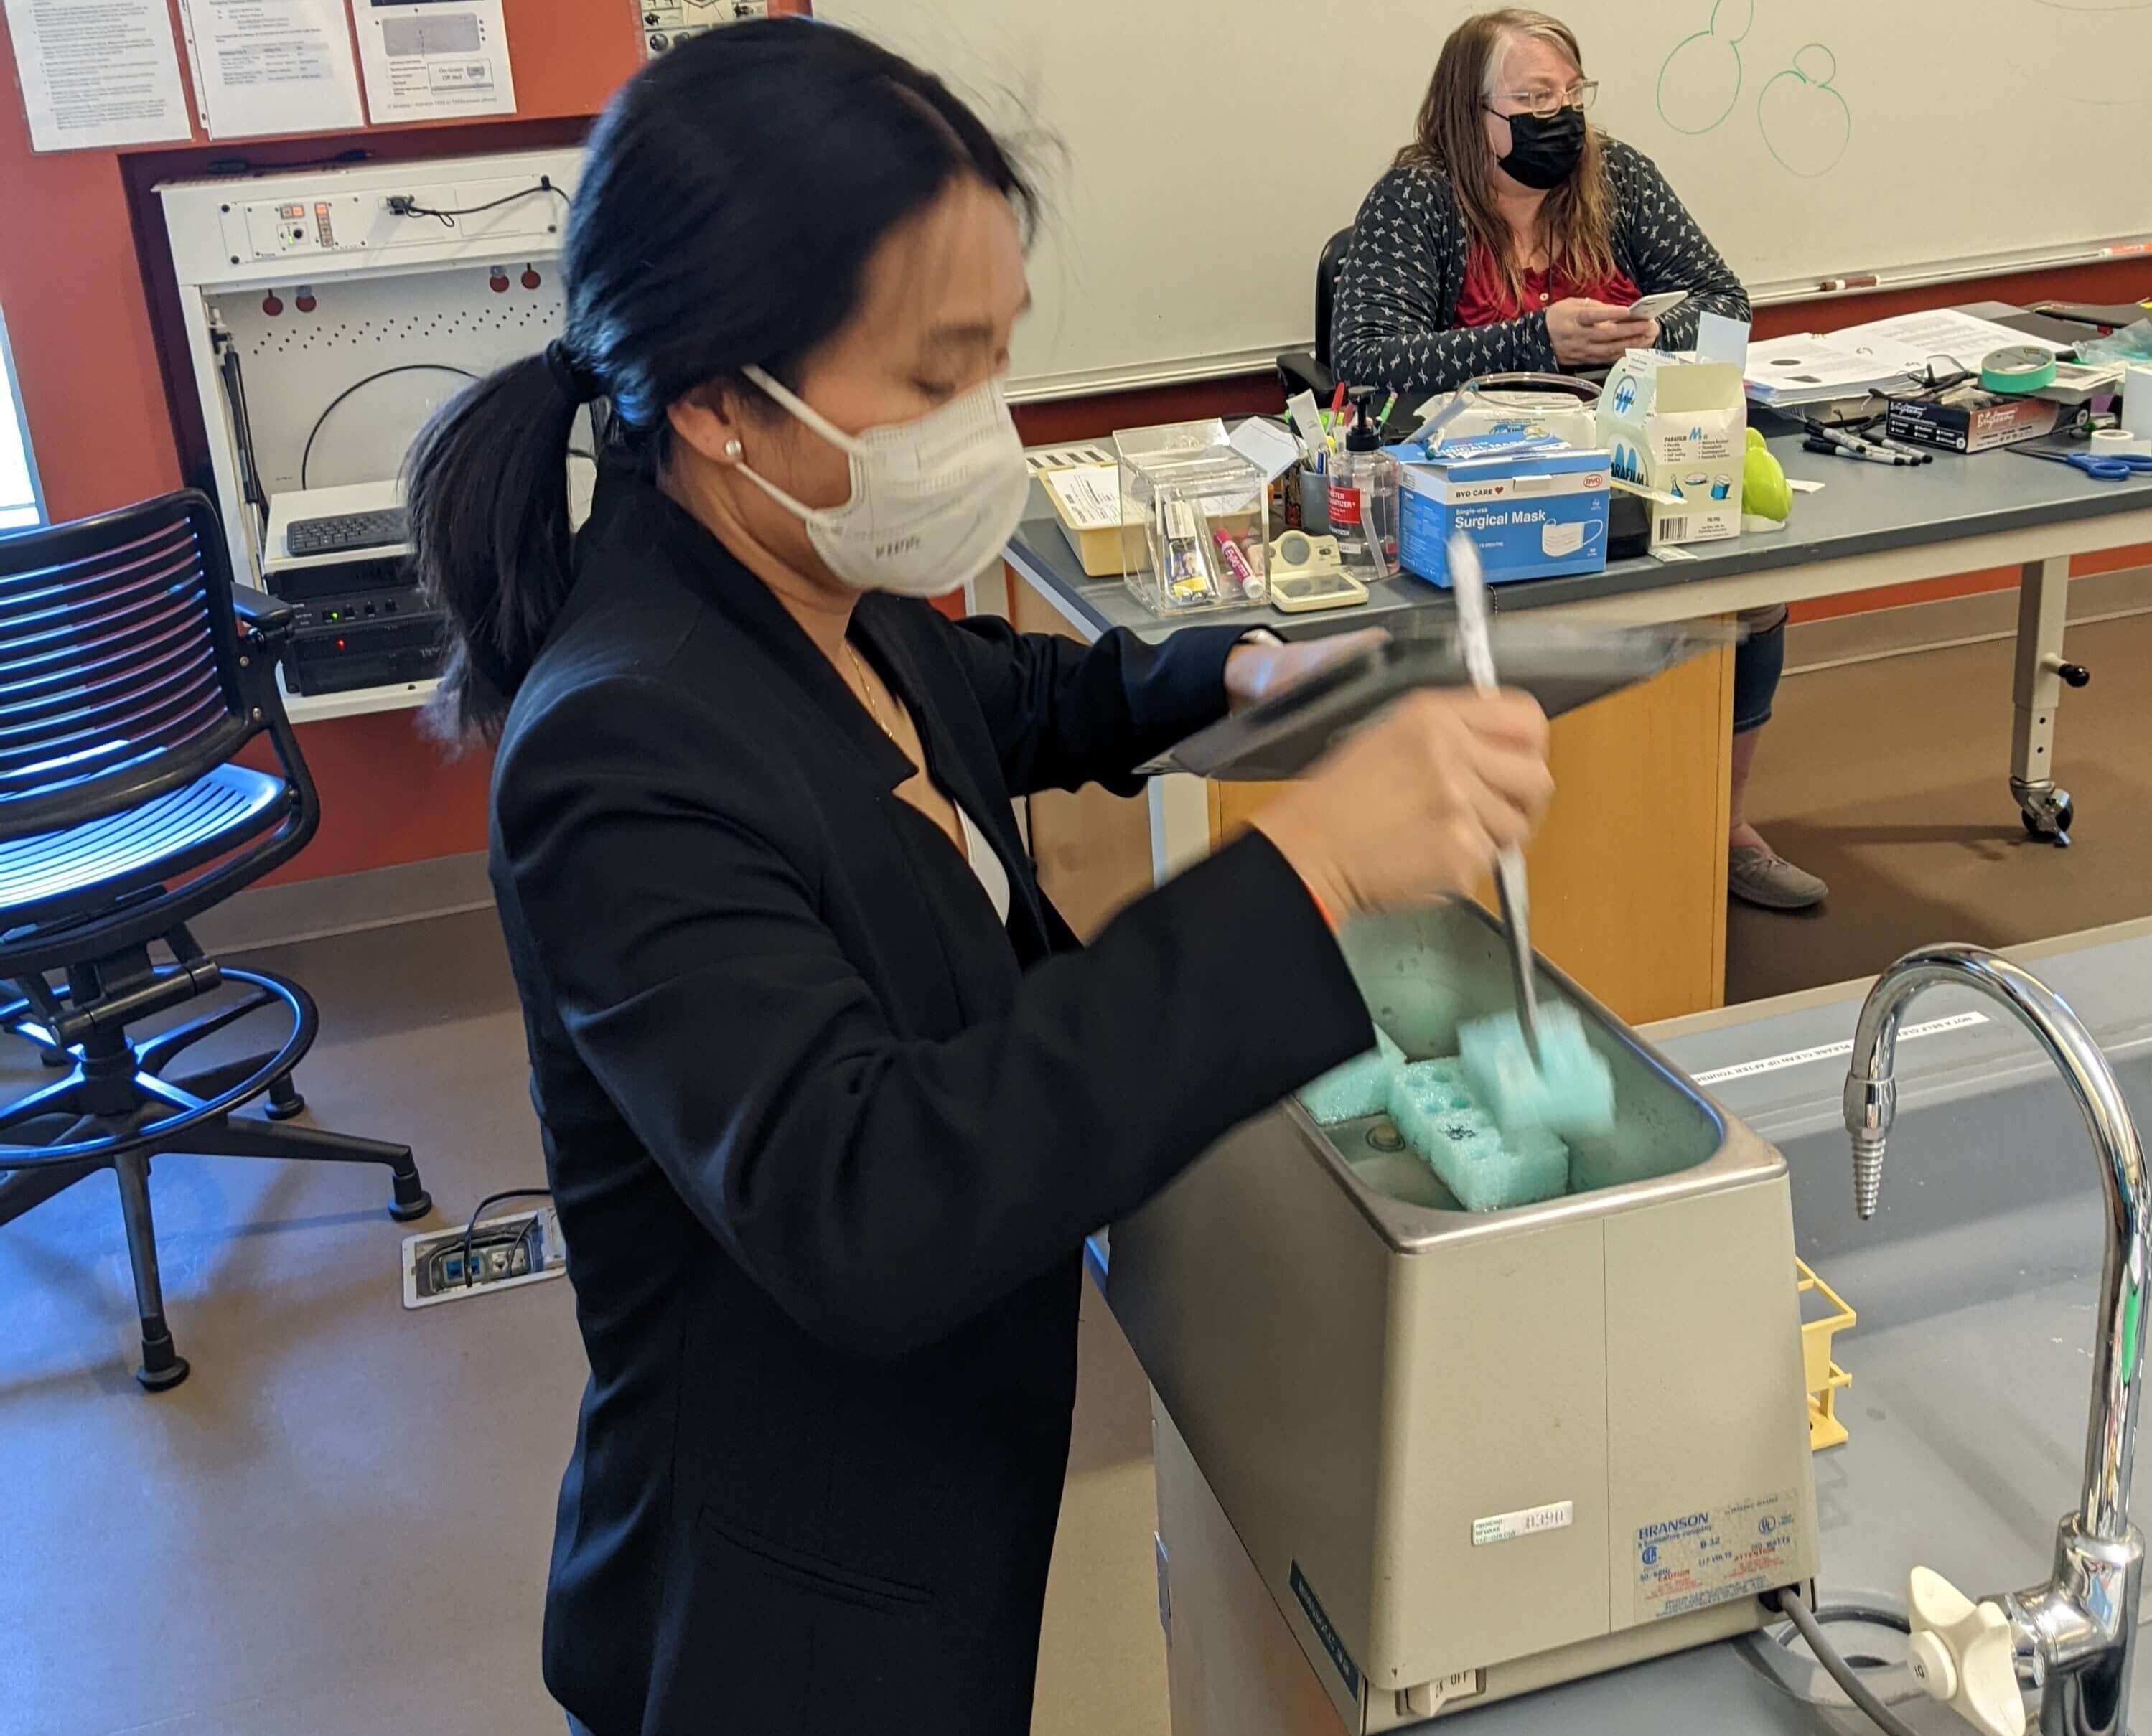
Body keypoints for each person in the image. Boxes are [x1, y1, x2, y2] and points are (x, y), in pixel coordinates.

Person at [402, 22, 1554, 1736]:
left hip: (950, 1480)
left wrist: (1219, 682)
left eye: (996, 360)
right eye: (935, 375)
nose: (979, 428)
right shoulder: (618, 755)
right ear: (721, 401)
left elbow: (984, 709)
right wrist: (1307, 873)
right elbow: (864, 1190)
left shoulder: (818, 583)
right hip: (782, 1604)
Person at [1334, 7, 1824, 910]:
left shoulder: (1618, 176)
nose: (1560, 115)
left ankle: (1721, 824)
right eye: (1531, 97)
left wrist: (1650, 331)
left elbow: (1726, 305)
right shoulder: (1417, 201)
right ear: (1468, 111)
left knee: (1755, 591)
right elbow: (1368, 362)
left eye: (1571, 94)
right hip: (1477, 482)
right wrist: (1537, 340)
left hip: (1628, 460)